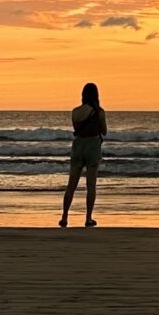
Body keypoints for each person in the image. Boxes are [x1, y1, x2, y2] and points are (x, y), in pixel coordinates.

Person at [61, 84, 105, 227]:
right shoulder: (99, 112)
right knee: (91, 185)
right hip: (92, 147)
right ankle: (88, 218)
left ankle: (65, 217)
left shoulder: (75, 112)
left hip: (78, 146)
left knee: (71, 185)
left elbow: (76, 129)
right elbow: (104, 131)